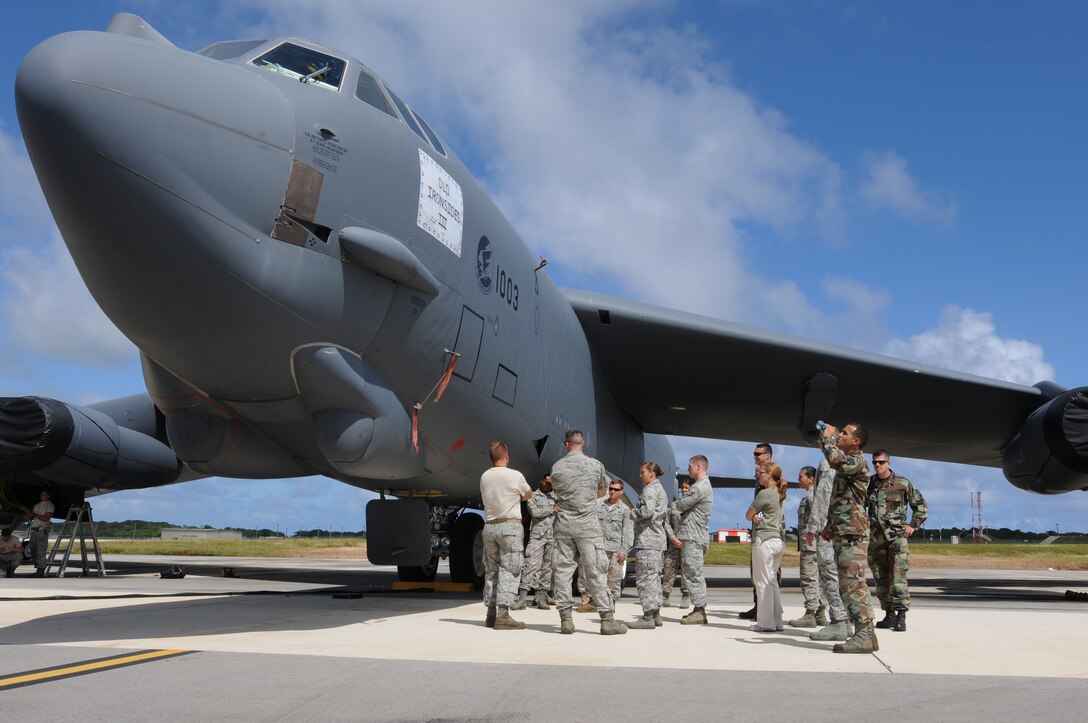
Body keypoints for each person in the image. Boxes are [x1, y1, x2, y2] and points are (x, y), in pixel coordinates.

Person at [550, 429, 627, 635]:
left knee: (563, 573)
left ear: (567, 444)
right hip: (588, 528)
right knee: (596, 573)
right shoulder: (595, 466)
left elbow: (557, 493)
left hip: (564, 527)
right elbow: (601, 493)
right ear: (582, 443)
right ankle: (607, 620)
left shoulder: (557, 467)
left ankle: (566, 620)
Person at [811, 422, 877, 654]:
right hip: (843, 530)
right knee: (849, 584)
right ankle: (866, 634)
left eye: (845, 434)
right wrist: (830, 524)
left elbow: (836, 460)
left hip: (853, 532)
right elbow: (841, 499)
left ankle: (864, 635)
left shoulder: (857, 461)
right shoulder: (845, 463)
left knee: (853, 584)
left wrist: (828, 439)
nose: (840, 435)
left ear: (856, 441)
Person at [867, 450, 927, 632]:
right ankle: (889, 614)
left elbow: (921, 506)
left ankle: (901, 615)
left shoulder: (903, 483)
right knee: (880, 576)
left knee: (898, 577)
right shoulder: (870, 484)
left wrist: (913, 524)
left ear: (889, 463)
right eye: (875, 462)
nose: (878, 465)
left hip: (897, 538)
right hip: (876, 537)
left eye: (881, 462)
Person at [479, 441, 532, 630]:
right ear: (506, 455)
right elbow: (528, 494)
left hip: (489, 526)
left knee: (491, 571)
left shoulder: (485, 476)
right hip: (509, 527)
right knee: (510, 570)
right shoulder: (515, 475)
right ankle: (503, 615)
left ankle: (491, 614)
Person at [805, 458, 850, 642]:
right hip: (843, 527)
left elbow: (823, 497)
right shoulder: (852, 461)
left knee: (828, 575)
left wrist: (813, 526)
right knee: (840, 576)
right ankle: (846, 620)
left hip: (827, 529)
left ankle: (838, 621)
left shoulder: (828, 463)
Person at [627, 461, 668, 629]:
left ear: (652, 473)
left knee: (645, 579)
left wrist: (633, 512)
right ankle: (656, 614)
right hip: (656, 540)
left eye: (642, 472)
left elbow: (647, 512)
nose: (640, 475)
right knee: (654, 578)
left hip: (648, 540)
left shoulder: (650, 490)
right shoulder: (660, 489)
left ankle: (648, 616)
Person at [747, 461, 787, 631]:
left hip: (764, 540)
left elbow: (748, 515)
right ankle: (777, 621)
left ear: (769, 474)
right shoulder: (779, 493)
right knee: (772, 582)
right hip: (778, 540)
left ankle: (765, 623)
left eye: (761, 472)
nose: (758, 475)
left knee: (761, 582)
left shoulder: (764, 493)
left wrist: (755, 517)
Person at [675, 455, 714, 625]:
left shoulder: (699, 488)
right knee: (692, 572)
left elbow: (680, 505)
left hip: (693, 536)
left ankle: (699, 610)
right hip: (693, 536)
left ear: (698, 466)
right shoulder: (701, 486)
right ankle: (698, 609)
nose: (688, 468)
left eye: (690, 466)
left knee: (693, 573)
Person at [788, 466, 827, 628]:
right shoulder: (813, 497)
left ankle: (810, 613)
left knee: (809, 578)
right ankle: (820, 612)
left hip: (810, 546)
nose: (799, 479)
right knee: (818, 579)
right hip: (813, 545)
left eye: (801, 476)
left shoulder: (812, 497)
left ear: (811, 479)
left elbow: (819, 521)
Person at [740, 443, 773, 620]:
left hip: (768, 530)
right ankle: (758, 605)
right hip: (758, 529)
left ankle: (767, 606)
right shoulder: (759, 477)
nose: (755, 456)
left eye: (758, 454)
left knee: (768, 571)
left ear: (768, 455)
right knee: (756, 571)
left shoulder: (772, 476)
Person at [515, 473, 557, 611]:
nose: (547, 485)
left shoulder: (555, 497)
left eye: (550, 484)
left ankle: (541, 597)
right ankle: (522, 598)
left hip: (552, 536)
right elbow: (535, 512)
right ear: (541, 481)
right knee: (531, 565)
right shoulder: (532, 496)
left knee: (547, 568)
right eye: (546, 482)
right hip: (538, 536)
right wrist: (552, 509)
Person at [598, 479, 634, 610]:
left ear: (621, 492)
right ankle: (599, 603)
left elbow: (628, 533)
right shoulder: (598, 505)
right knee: (598, 578)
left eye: (616, 489)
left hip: (615, 551)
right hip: (600, 549)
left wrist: (624, 551)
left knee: (613, 580)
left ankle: (611, 604)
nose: (612, 491)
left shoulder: (625, 510)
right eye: (611, 488)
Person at [661, 479, 691, 608]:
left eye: (686, 488)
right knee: (668, 568)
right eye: (682, 488)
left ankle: (685, 595)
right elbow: (666, 522)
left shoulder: (694, 507)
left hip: (687, 544)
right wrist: (672, 538)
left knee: (686, 570)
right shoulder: (674, 505)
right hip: (673, 544)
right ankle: (665, 595)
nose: (684, 490)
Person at [19, 489, 54, 577]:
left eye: (44, 494)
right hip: (34, 530)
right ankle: (38, 569)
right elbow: (31, 517)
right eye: (41, 494)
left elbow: (46, 518)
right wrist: (25, 510)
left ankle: (40, 571)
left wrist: (34, 515)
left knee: (41, 551)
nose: (41, 496)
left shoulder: (49, 505)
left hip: (41, 530)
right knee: (33, 550)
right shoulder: (37, 505)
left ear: (48, 496)